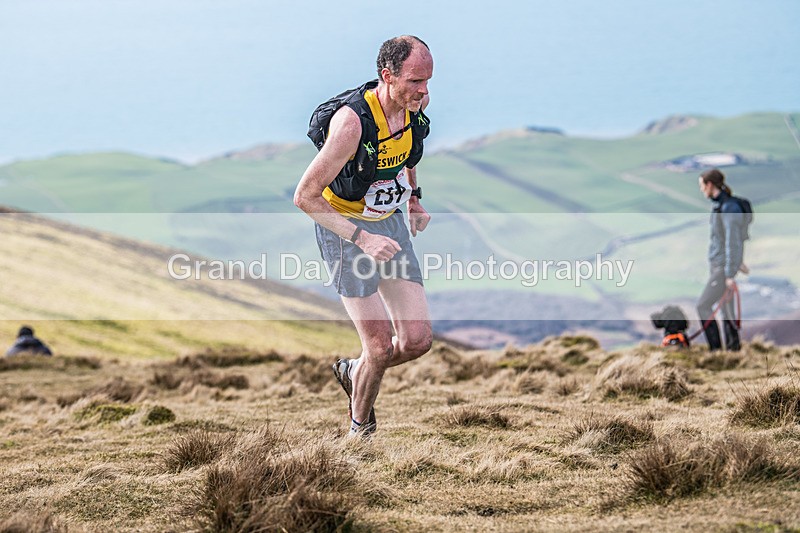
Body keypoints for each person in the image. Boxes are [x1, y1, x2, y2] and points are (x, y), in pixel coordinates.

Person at [294, 36, 434, 437]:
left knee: (417, 341)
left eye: (428, 81)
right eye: (415, 81)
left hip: (389, 224)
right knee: (379, 348)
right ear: (387, 77)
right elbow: (305, 197)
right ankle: (360, 430)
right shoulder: (351, 124)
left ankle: (354, 370)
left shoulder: (414, 107)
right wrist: (362, 238)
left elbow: (407, 156)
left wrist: (413, 200)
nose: (423, 91)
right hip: (344, 230)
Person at [696, 168, 747, 351]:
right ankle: (733, 351)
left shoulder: (728, 208)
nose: (702, 190)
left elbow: (733, 240)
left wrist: (730, 272)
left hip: (722, 268)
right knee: (726, 309)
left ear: (710, 185)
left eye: (702, 186)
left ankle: (715, 351)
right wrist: (737, 262)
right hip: (723, 265)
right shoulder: (722, 206)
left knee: (703, 306)